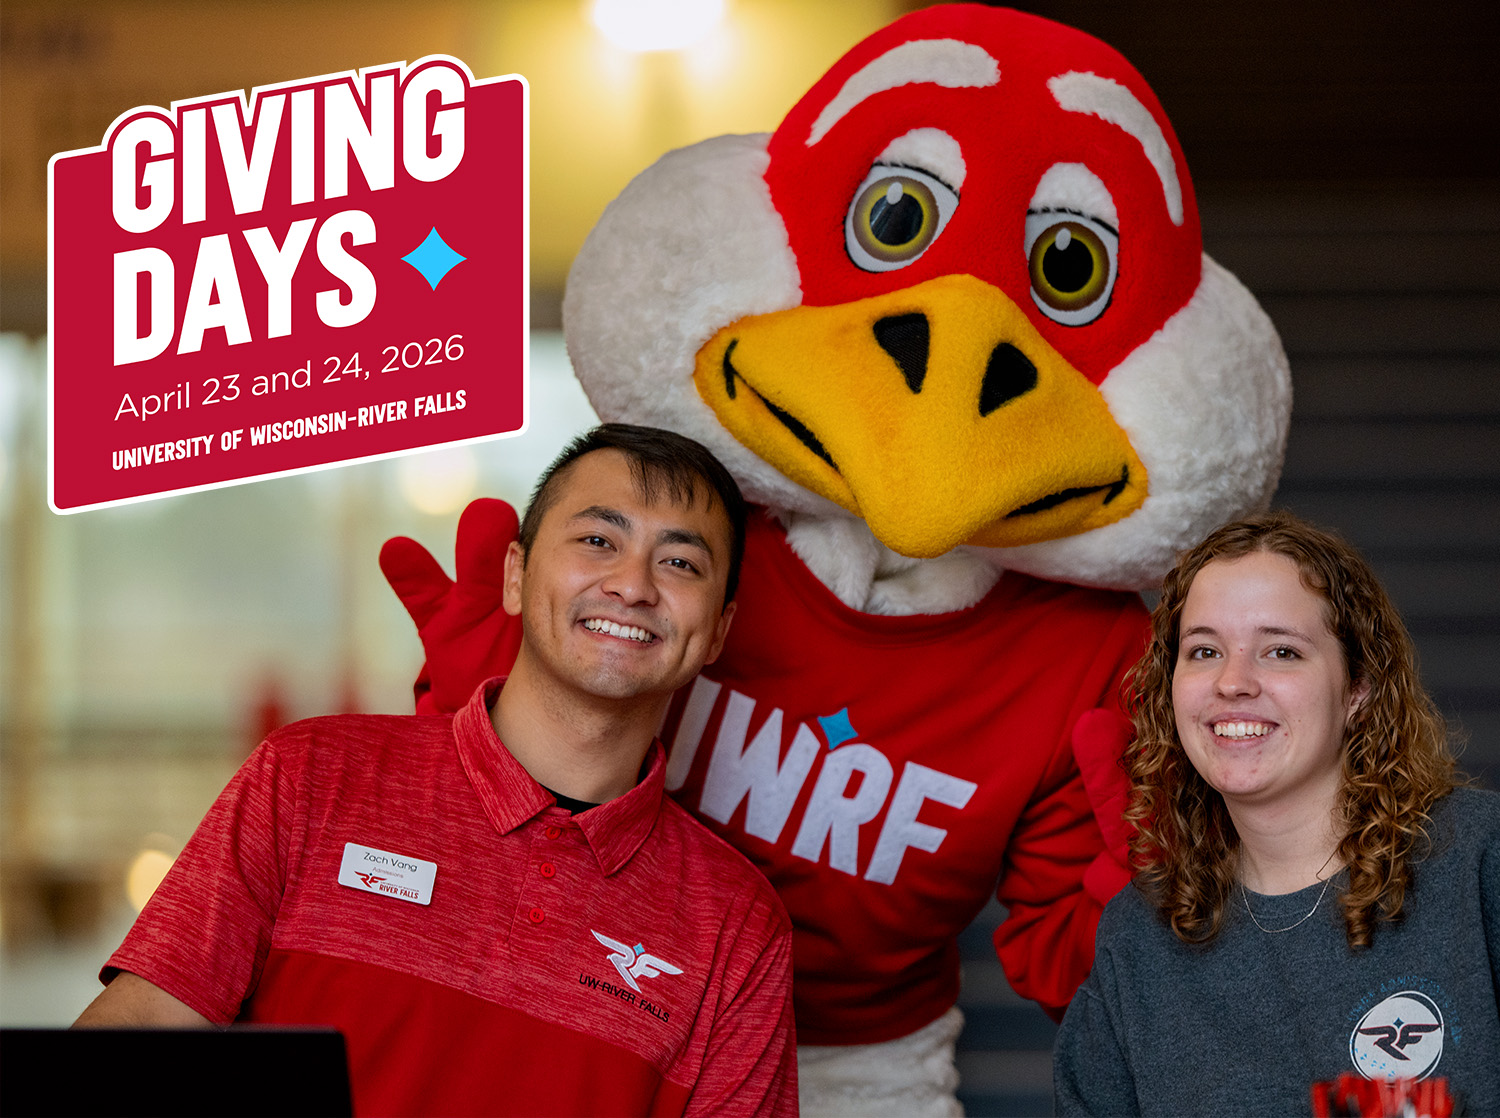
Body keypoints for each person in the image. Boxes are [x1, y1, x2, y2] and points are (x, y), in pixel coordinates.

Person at [75, 424, 800, 1118]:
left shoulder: (737, 924)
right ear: (517, 576)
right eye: (597, 540)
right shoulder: (310, 778)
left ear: (719, 629)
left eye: (680, 562)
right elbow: (137, 1034)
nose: (633, 585)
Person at [1053, 511, 1500, 1115]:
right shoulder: (1139, 938)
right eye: (1204, 650)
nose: (1233, 682)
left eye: (1281, 651)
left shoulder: (1479, 861)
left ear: (1358, 691)